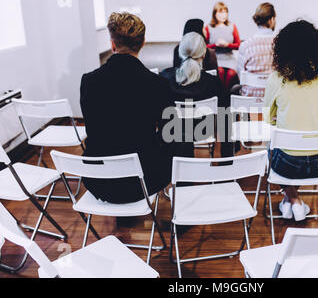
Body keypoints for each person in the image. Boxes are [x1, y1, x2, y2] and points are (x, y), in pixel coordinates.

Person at [80, 12, 173, 226]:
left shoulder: (89, 82)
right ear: (143, 44)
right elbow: (171, 134)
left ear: (112, 44)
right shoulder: (157, 84)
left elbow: (94, 128)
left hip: (99, 180)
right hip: (144, 180)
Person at [264, 20, 318, 221]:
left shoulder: (275, 79)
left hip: (287, 164)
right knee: (284, 144)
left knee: (271, 146)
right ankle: (293, 201)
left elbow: (267, 121)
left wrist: (284, 126)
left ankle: (293, 200)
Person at [161, 32, 233, 158]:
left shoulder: (165, 78)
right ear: (204, 54)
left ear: (180, 52)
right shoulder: (214, 82)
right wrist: (227, 157)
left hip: (172, 133)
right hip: (203, 132)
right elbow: (225, 116)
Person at [236, 2, 276, 97]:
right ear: (271, 20)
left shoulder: (246, 45)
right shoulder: (280, 44)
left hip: (250, 99)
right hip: (273, 97)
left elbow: (240, 76)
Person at [204, 2, 241, 91]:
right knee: (219, 72)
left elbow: (238, 45)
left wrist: (227, 45)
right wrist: (215, 45)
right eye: (220, 12)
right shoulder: (208, 28)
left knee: (231, 74)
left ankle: (225, 95)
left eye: (225, 12)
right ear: (214, 14)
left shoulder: (232, 26)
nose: (223, 15)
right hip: (215, 58)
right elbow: (204, 46)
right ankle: (221, 96)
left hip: (229, 58)